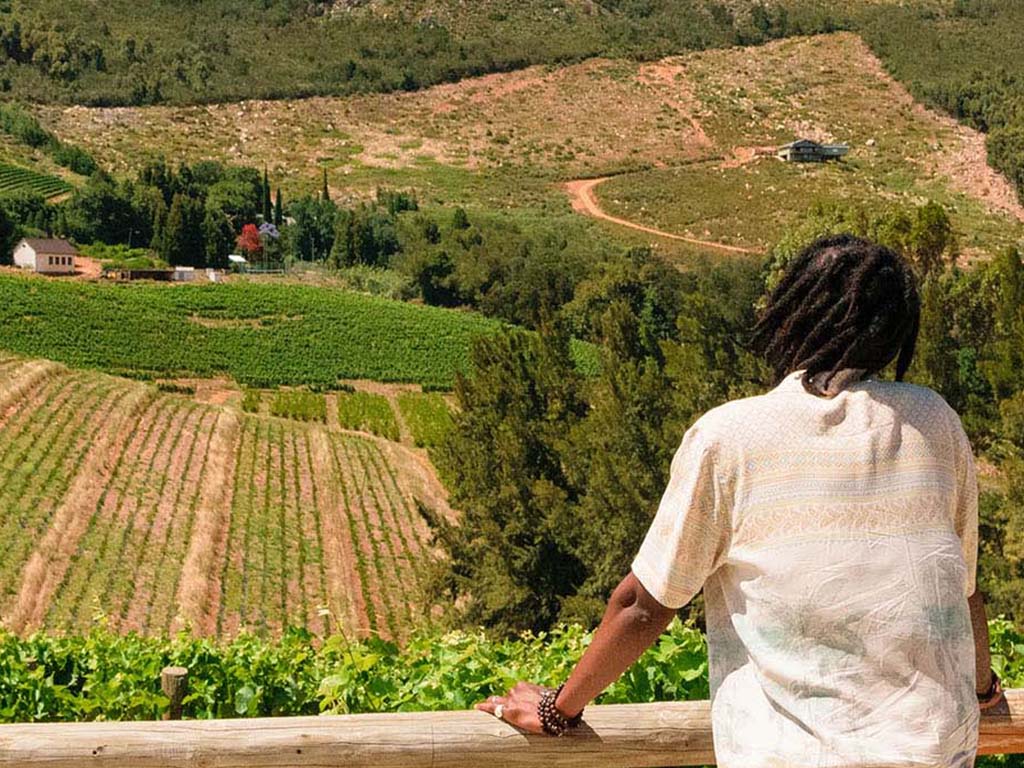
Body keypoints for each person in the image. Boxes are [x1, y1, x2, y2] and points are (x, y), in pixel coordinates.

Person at [476, 234, 1005, 766]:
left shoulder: (730, 437)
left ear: (793, 312)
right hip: (932, 753)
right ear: (895, 332)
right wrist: (983, 691)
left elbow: (643, 604)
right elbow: (960, 592)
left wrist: (558, 710)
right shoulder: (933, 422)